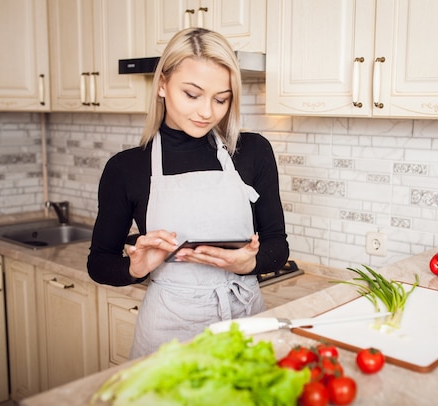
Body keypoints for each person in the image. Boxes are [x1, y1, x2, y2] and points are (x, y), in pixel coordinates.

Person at [87, 27, 289, 359]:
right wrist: (135, 268)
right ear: (163, 85)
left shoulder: (252, 151)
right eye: (192, 94)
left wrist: (249, 263)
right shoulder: (126, 168)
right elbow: (100, 263)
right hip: (169, 331)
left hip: (246, 321)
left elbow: (277, 245)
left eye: (221, 99)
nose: (207, 112)